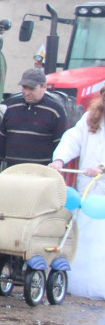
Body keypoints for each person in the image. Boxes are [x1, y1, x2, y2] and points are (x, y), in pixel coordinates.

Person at [49, 87, 105, 299]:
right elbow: (73, 138)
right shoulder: (91, 119)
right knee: (81, 238)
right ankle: (75, 281)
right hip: (87, 192)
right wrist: (59, 159)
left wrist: (102, 167)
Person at [0, 68, 69, 181]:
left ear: (44, 87)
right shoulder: (12, 107)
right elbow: (0, 140)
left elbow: (62, 144)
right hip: (12, 173)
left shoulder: (55, 111)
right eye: (24, 88)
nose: (27, 92)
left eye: (31, 88)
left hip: (40, 176)